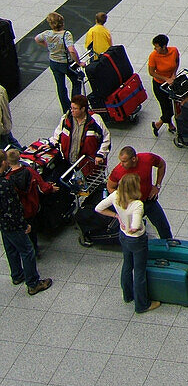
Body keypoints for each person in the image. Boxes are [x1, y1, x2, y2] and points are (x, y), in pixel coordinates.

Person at [95, 172, 160, 313]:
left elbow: (98, 208)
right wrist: (133, 228)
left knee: (127, 265)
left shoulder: (115, 195)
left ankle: (128, 295)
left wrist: (117, 216)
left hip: (123, 236)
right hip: (137, 240)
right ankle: (142, 305)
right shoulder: (137, 204)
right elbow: (136, 225)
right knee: (139, 271)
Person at [0, 150, 53, 297]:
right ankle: (33, 284)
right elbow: (13, 207)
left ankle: (17, 275)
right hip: (14, 224)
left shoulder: (6, 179)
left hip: (3, 224)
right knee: (27, 251)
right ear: (4, 163)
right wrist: (24, 225)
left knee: (10, 248)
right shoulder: (6, 183)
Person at [106, 146, 173, 240]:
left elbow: (161, 164)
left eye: (124, 161)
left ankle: (169, 245)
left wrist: (157, 186)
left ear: (133, 159)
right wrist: (124, 201)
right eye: (120, 161)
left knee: (163, 227)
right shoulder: (118, 171)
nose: (121, 164)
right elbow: (110, 187)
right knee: (134, 231)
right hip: (132, 206)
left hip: (149, 201)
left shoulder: (147, 158)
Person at [35, 11, 83, 112]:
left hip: (54, 63)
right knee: (77, 80)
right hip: (66, 63)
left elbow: (37, 39)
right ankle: (75, 106)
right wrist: (79, 62)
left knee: (61, 86)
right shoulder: (66, 34)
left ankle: (66, 109)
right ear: (62, 23)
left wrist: (48, 46)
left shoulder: (47, 34)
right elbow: (71, 50)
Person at [50, 94, 111, 166]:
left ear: (83, 109)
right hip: (68, 162)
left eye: (75, 109)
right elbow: (57, 133)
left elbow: (106, 137)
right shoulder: (66, 119)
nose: (72, 111)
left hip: (88, 164)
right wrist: (51, 144)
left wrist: (100, 154)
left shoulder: (95, 120)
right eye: (71, 108)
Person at [147, 34, 180, 137]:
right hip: (159, 85)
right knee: (167, 108)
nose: (155, 48)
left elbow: (176, 62)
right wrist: (166, 79)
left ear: (164, 46)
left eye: (157, 46)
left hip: (171, 82)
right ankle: (158, 124)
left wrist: (174, 74)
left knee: (172, 105)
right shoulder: (153, 56)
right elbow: (152, 72)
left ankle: (166, 125)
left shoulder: (173, 51)